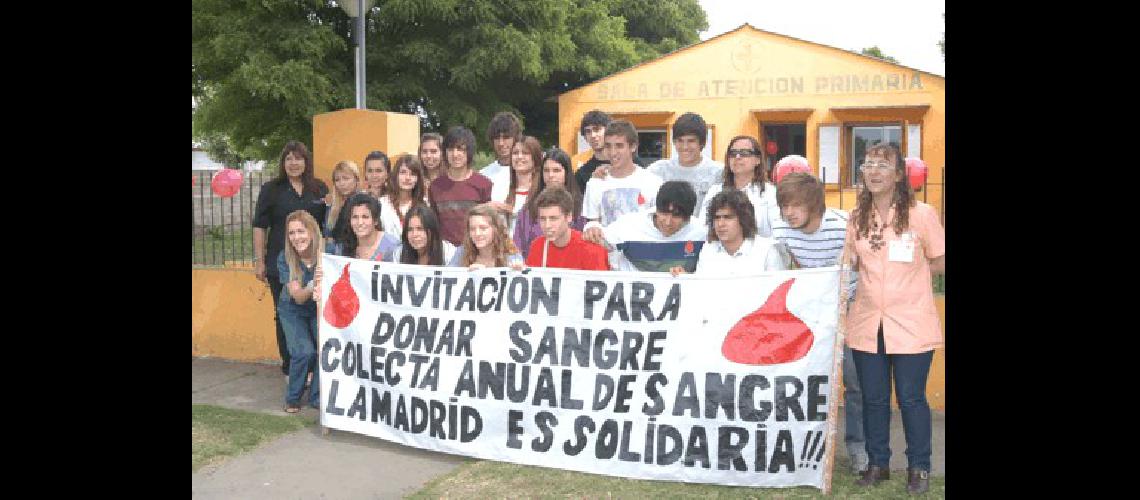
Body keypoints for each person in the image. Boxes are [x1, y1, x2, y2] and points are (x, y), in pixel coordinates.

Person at [844, 143, 944, 495]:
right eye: (868, 164)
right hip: (868, 321)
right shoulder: (857, 218)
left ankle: (919, 467)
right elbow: (851, 266)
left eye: (882, 166)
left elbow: (940, 259)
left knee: (911, 397)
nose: (873, 171)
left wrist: (914, 277)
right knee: (873, 398)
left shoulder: (922, 214)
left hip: (911, 321)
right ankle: (878, 464)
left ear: (899, 175)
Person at [772, 171, 867, 475]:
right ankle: (804, 447)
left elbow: (866, 269)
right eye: (784, 206)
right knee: (803, 382)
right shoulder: (781, 231)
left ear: (814, 204)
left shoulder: (842, 228)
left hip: (849, 311)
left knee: (854, 384)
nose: (789, 213)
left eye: (796, 206)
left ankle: (858, 450)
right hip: (809, 315)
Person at [253, 140, 329, 375]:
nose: (294, 163)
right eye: (289, 158)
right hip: (281, 264)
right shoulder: (271, 189)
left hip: (313, 264)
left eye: (298, 158)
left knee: (316, 316)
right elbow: (259, 226)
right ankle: (290, 369)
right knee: (285, 315)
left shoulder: (319, 188)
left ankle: (316, 371)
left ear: (306, 162)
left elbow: (328, 224)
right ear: (283, 163)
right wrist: (259, 260)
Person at [583, 181, 706, 272]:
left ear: (689, 216)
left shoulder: (702, 232)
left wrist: (690, 278)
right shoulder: (630, 225)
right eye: (663, 213)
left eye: (676, 216)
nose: (668, 222)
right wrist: (592, 227)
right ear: (656, 208)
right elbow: (600, 240)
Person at [276, 210, 323, 413]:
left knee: (324, 349)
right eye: (292, 233)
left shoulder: (327, 252)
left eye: (301, 231)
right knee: (304, 352)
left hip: (318, 308)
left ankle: (317, 396)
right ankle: (293, 398)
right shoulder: (285, 258)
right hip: (292, 309)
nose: (296, 237)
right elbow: (299, 296)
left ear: (312, 231)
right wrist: (316, 283)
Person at [679, 189, 786, 275]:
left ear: (743, 219)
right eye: (717, 218)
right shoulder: (708, 249)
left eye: (728, 217)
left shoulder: (766, 250)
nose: (721, 224)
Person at [581, 120, 663, 227]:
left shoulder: (653, 182)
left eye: (619, 146)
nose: (613, 152)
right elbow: (592, 223)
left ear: (633, 146)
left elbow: (660, 224)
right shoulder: (595, 183)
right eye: (608, 146)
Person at [514, 147, 587, 259]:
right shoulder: (529, 209)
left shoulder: (582, 206)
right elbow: (517, 248)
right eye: (546, 170)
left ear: (567, 173)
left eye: (556, 170)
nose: (551, 175)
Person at [699, 135, 778, 237]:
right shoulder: (715, 191)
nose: (737, 157)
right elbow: (703, 228)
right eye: (733, 153)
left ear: (757, 159)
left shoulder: (769, 193)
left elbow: (777, 233)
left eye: (744, 153)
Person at [429, 126, 493, 246]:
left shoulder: (484, 184)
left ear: (469, 152)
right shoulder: (435, 186)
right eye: (450, 149)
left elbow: (488, 223)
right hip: (444, 252)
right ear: (445, 152)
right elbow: (434, 224)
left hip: (475, 249)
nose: (455, 154)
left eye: (460, 149)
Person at [646, 112, 723, 209]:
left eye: (691, 141)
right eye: (680, 141)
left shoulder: (718, 173)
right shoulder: (658, 170)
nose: (685, 147)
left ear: (702, 143)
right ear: (674, 142)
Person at [525, 187, 609, 271]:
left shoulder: (592, 250)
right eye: (542, 219)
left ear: (569, 216)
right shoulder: (537, 246)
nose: (547, 225)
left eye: (553, 218)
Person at [490, 135, 542, 236]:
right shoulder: (500, 188)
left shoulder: (542, 189)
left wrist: (510, 210)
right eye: (515, 153)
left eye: (525, 153)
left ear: (535, 158)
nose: (519, 157)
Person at [332, 193, 401, 261]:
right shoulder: (344, 245)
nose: (360, 222)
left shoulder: (392, 246)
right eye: (355, 217)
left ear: (376, 220)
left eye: (365, 217)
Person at [455, 203, 524, 270]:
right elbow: (447, 278)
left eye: (483, 228)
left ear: (496, 229)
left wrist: (518, 272)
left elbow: (523, 278)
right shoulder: (462, 252)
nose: (477, 233)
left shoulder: (511, 254)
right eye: (472, 229)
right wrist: (468, 276)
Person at [391, 204, 460, 266]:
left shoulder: (448, 253)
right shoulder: (399, 254)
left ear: (432, 230)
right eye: (410, 229)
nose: (415, 234)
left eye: (420, 229)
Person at [380, 154, 427, 237]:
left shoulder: (425, 204)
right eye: (403, 172)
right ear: (396, 175)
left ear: (418, 179)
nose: (407, 178)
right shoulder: (381, 204)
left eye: (412, 174)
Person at [324, 160, 363, 241]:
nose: (342, 183)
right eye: (337, 180)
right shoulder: (333, 205)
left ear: (356, 179)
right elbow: (327, 234)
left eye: (346, 178)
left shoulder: (364, 203)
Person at [481, 112, 522, 188]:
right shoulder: (483, 175)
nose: (501, 143)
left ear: (516, 138)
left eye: (506, 137)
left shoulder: (528, 173)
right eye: (497, 138)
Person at [573, 109, 611, 191]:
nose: (593, 135)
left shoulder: (629, 164)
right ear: (585, 137)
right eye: (588, 131)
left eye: (597, 129)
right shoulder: (582, 174)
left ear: (609, 131)